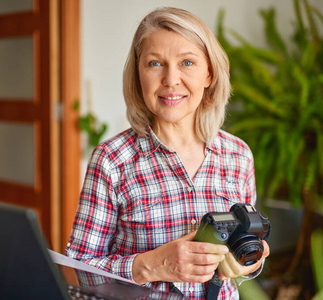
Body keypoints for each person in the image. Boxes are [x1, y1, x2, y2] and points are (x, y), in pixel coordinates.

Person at [65, 7, 270, 300]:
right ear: (139, 75)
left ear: (209, 74)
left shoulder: (238, 155)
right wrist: (153, 265)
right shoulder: (112, 160)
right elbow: (77, 267)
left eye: (187, 62)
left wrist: (249, 261)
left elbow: (243, 256)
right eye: (154, 63)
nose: (171, 79)